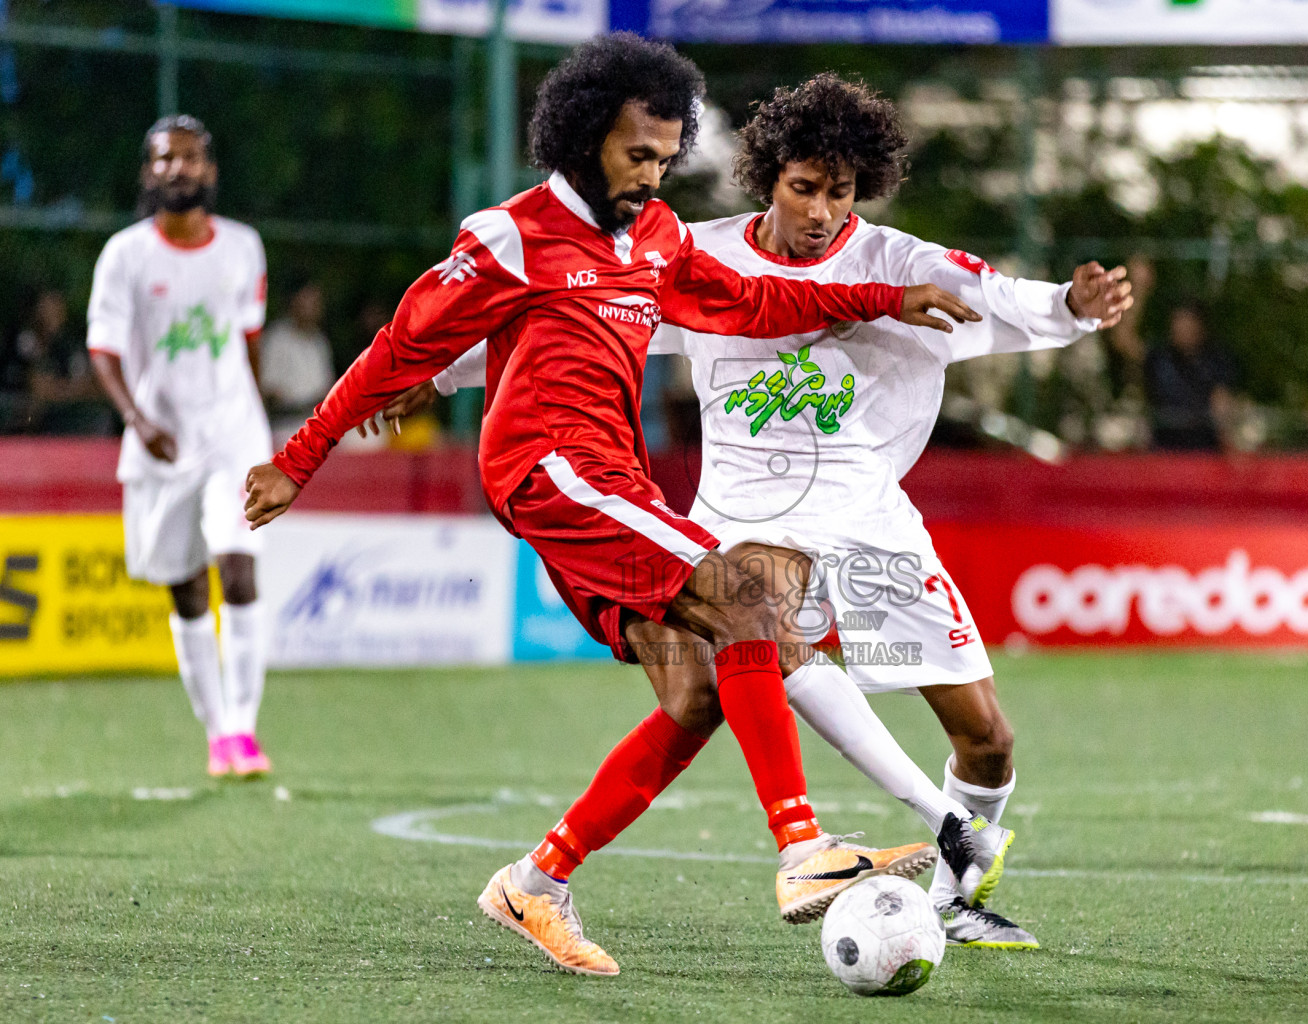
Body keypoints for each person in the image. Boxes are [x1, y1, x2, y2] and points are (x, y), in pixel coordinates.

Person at [242, 35, 981, 977]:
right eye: (639, 153)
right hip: (548, 470)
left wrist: (885, 296)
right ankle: (801, 848)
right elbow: (398, 351)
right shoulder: (510, 237)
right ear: (584, 135)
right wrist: (296, 462)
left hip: (613, 485)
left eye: (668, 157)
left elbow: (751, 303)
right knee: (751, 594)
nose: (653, 172)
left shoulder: (659, 235)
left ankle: (535, 882)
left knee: (700, 689)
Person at [418, 73, 1133, 949]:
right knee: (734, 639)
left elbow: (1001, 297)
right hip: (737, 521)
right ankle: (814, 844)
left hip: (869, 524)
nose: (822, 211)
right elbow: (554, 315)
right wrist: (432, 370)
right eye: (804, 188)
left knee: (986, 739)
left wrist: (1070, 305)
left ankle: (950, 888)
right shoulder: (697, 253)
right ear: (767, 178)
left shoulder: (898, 264)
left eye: (840, 192)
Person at [87, 115, 273, 780]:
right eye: (166, 158)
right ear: (148, 172)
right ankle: (218, 731)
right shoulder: (125, 255)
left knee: (239, 567)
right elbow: (103, 348)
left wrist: (253, 419)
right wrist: (138, 420)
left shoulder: (244, 248)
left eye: (191, 158)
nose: (179, 168)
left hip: (232, 433)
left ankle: (245, 732)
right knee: (187, 593)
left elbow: (248, 341)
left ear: (211, 170)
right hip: (160, 442)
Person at [11, 289, 110, 435]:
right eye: (48, 307)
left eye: (57, 307)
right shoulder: (27, 341)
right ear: (37, 310)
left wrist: (63, 390)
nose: (53, 313)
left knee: (98, 416)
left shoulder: (68, 344)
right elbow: (38, 387)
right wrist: (70, 389)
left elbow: (93, 386)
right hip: (27, 412)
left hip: (65, 411)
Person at [1144, 299, 1236, 451]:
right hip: (1163, 448)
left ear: (1200, 326)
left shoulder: (1216, 360)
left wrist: (1228, 442)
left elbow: (1221, 402)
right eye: (1178, 322)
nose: (1182, 328)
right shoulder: (1158, 357)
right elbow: (1123, 340)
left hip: (1203, 449)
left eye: (1188, 321)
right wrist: (1140, 290)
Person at [259, 277, 335, 444]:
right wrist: (305, 404)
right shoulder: (277, 339)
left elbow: (328, 389)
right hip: (287, 424)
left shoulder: (319, 341)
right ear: (293, 301)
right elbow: (269, 394)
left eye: (317, 300)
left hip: (320, 421)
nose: (315, 305)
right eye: (309, 298)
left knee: (367, 438)